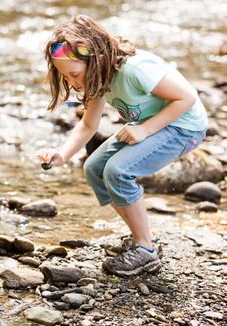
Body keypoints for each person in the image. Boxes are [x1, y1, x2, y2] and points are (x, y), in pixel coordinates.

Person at [37, 15, 208, 277]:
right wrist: (62, 154)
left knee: (118, 171)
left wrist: (144, 129)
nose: (72, 83)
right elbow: (87, 126)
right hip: (153, 125)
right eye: (65, 77)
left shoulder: (135, 70)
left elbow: (187, 97)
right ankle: (143, 239)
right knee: (94, 168)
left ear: (95, 59)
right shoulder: (98, 78)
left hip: (184, 127)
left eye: (74, 74)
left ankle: (145, 249)